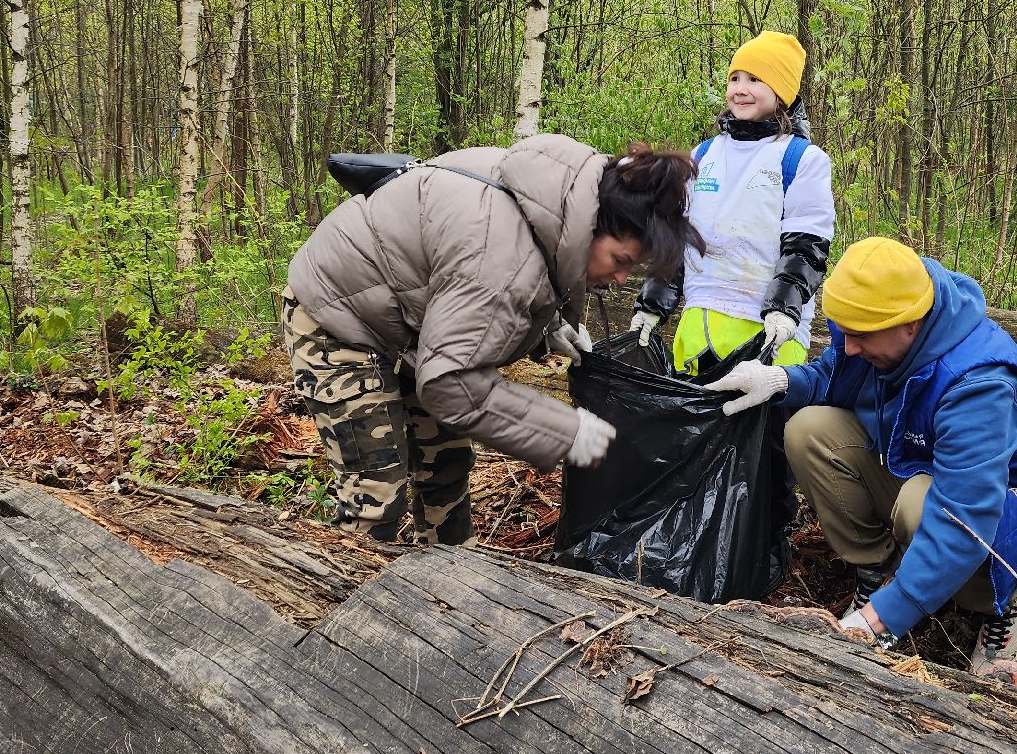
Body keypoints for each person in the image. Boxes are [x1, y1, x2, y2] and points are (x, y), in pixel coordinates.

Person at [281, 135, 702, 544]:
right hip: (335, 316)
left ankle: (451, 587)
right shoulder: (500, 256)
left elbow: (496, 282)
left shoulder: (556, 198)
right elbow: (451, 383)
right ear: (592, 225)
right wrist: (566, 432)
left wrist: (549, 329)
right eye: (621, 261)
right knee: (377, 486)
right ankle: (346, 598)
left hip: (408, 323)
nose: (620, 279)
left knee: (445, 464)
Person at [705, 237, 1017, 678]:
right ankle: (878, 574)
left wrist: (879, 624)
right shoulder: (877, 319)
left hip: (1008, 508)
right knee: (808, 430)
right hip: (915, 463)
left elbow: (966, 511)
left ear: (910, 324)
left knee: (920, 505)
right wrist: (781, 380)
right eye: (846, 334)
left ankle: (1004, 602)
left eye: (859, 337)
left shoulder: (980, 382)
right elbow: (833, 376)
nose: (851, 347)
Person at [630, 29, 835, 374]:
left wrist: (784, 309)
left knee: (759, 424)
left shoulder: (802, 159)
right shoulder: (704, 154)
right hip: (700, 322)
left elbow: (806, 245)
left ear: (782, 91)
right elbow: (678, 237)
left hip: (767, 329)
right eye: (735, 78)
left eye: (755, 79)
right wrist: (651, 305)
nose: (740, 89)